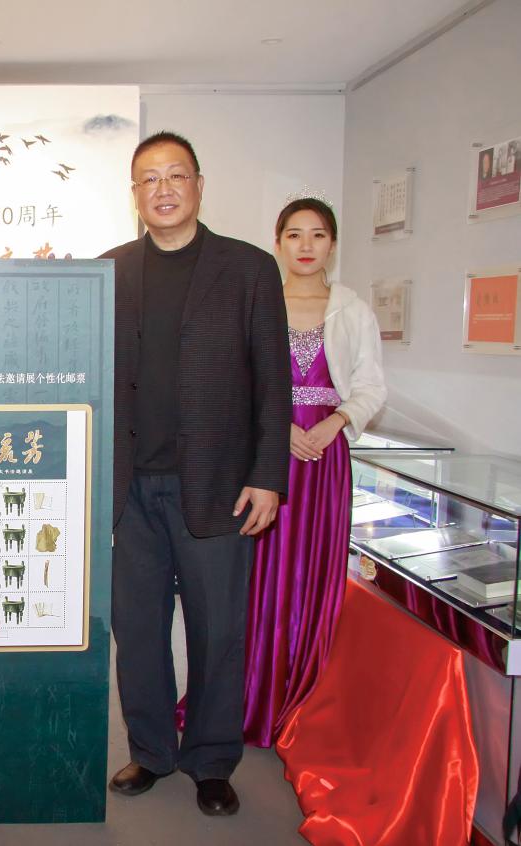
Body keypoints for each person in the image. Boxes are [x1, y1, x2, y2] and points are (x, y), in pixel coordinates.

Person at [103, 132, 291, 816]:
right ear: (135, 194)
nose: (163, 189)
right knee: (138, 631)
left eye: (175, 175)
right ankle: (151, 751)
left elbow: (274, 383)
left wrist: (268, 475)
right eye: (149, 178)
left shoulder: (248, 269)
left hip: (217, 486)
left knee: (218, 632)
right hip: (129, 490)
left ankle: (212, 761)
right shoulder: (110, 270)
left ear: (199, 185)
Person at [243, 196, 386, 746]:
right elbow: (240, 380)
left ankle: (304, 696)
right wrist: (278, 428)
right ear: (277, 242)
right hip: (268, 454)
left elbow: (371, 386)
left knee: (314, 572)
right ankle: (252, 694)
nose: (306, 246)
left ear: (333, 244)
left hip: (326, 458)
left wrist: (337, 422)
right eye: (294, 235)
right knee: (260, 572)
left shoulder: (352, 309)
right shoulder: (259, 302)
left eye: (318, 235)